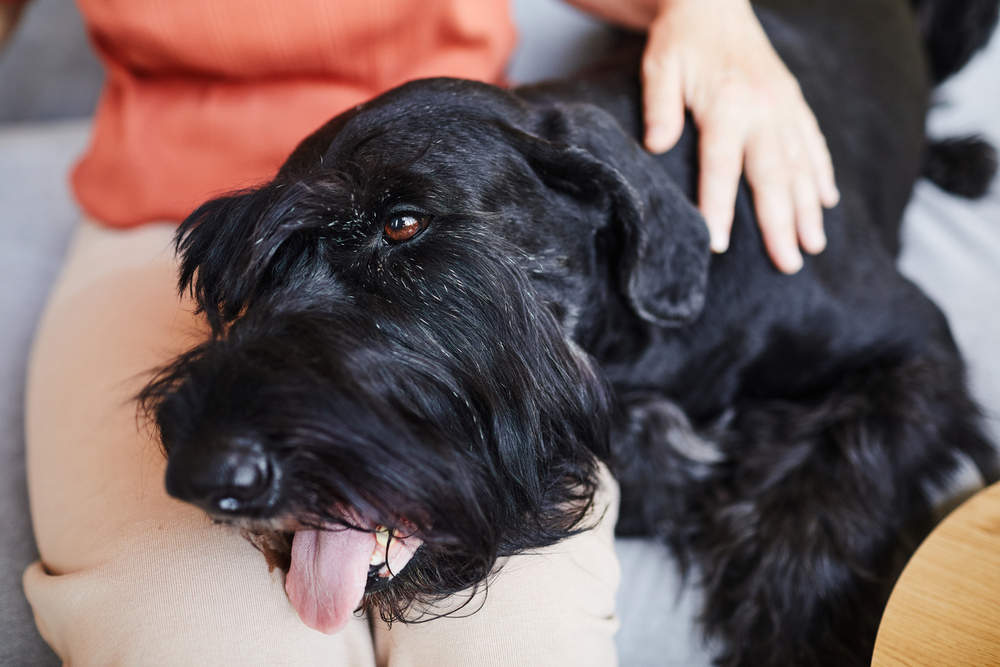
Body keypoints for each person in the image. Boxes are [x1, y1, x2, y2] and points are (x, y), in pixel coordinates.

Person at [16, 0, 838, 664]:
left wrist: (709, 13)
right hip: (179, 226)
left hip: (445, 199)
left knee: (518, 645)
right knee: (194, 637)